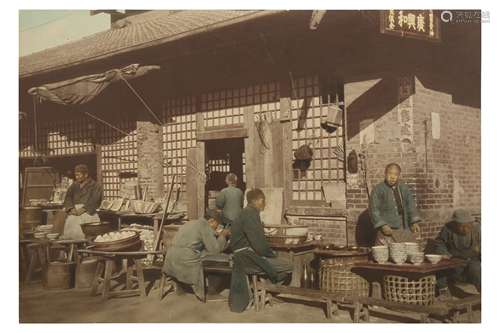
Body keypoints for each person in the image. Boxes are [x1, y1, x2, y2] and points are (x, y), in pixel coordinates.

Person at [228, 188, 292, 313]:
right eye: (264, 200)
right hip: (246, 258)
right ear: (258, 200)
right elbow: (259, 245)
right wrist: (271, 254)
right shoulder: (251, 214)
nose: (265, 203)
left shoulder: (243, 213)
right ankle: (268, 290)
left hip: (241, 256)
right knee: (289, 265)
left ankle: (266, 289)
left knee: (274, 261)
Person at [163, 209, 230, 300]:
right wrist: (223, 235)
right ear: (211, 221)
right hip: (185, 259)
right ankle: (212, 292)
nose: (216, 228)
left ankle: (181, 286)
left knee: (204, 255)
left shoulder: (192, 222)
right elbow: (215, 250)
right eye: (216, 225)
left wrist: (214, 234)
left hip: (171, 257)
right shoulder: (204, 226)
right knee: (220, 261)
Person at [369, 163, 421, 245]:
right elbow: (374, 210)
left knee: (405, 253)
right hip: (387, 229)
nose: (392, 177)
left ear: (399, 176)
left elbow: (410, 205)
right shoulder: (378, 190)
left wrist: (414, 222)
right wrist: (382, 225)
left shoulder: (404, 188)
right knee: (383, 254)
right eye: (390, 173)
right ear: (385, 174)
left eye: (396, 174)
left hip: (403, 228)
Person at [434, 209, 481, 296]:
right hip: (454, 262)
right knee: (440, 268)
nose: (465, 229)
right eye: (461, 226)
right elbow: (439, 243)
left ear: (471, 223)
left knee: (477, 268)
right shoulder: (448, 229)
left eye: (468, 226)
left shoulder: (478, 229)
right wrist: (446, 255)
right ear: (455, 224)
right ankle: (444, 293)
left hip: (472, 262)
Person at [61, 164, 103, 240]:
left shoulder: (95, 186)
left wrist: (82, 210)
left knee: (85, 236)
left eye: (78, 175)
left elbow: (95, 200)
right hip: (74, 212)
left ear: (86, 175)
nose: (77, 177)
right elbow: (68, 197)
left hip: (88, 213)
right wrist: (71, 208)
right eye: (76, 175)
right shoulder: (74, 185)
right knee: (71, 235)